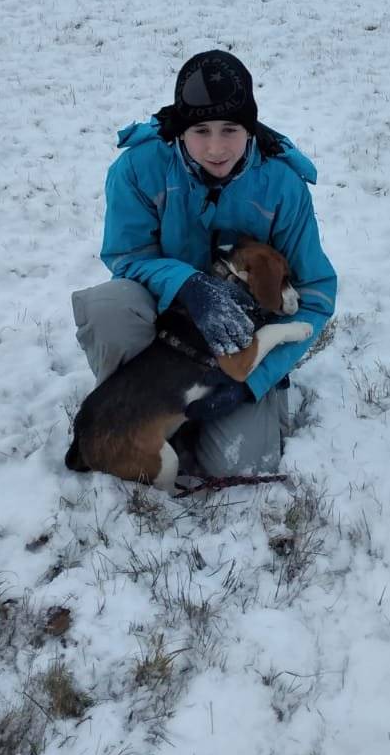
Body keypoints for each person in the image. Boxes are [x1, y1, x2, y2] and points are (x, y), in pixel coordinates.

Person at [71, 50, 336, 478]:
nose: (216, 148)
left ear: (250, 129)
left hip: (239, 347)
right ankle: (134, 420)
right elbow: (126, 257)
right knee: (109, 306)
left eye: (231, 129)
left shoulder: (283, 186)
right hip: (167, 326)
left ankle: (211, 419)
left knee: (243, 465)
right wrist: (188, 284)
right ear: (180, 130)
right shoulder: (138, 169)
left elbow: (317, 294)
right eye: (201, 130)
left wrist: (252, 382)